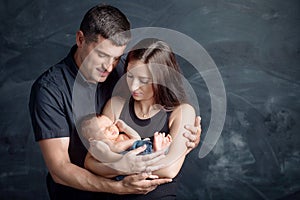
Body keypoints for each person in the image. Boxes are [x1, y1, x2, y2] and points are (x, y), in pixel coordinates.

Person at [29, 4, 201, 200]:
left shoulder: (128, 71)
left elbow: (165, 99)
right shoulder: (50, 90)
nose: (109, 67)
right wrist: (119, 184)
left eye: (117, 58)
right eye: (102, 55)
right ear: (80, 39)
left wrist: (185, 140)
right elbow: (60, 169)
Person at [84, 38, 198, 199]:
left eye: (144, 80)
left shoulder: (182, 112)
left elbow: (170, 169)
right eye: (130, 76)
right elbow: (90, 162)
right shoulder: (116, 105)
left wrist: (116, 164)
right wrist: (124, 165)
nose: (134, 86)